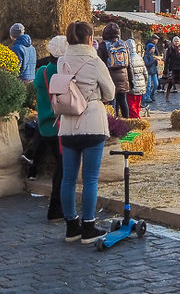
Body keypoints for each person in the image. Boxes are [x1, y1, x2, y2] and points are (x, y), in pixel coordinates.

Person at [57, 20, 116, 245]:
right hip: (92, 121)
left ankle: (71, 226)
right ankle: (89, 225)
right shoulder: (94, 61)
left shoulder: (62, 60)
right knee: (90, 179)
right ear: (89, 38)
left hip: (68, 124)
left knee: (68, 178)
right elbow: (110, 91)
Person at [27, 35, 65, 221]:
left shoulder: (42, 72)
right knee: (63, 169)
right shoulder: (63, 73)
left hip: (44, 126)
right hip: (58, 126)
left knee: (60, 166)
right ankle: (55, 209)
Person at [97, 23, 131, 118]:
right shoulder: (124, 44)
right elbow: (129, 64)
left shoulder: (103, 46)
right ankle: (126, 122)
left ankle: (115, 124)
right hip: (123, 77)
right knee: (123, 101)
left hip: (110, 77)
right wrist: (131, 80)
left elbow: (100, 64)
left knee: (112, 102)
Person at [127, 37, 147, 117]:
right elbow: (145, 72)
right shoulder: (140, 57)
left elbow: (128, 73)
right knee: (137, 105)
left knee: (131, 105)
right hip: (141, 84)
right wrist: (144, 83)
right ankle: (137, 121)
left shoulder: (128, 59)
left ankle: (136, 120)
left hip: (132, 85)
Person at [162, 36, 180, 104]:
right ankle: (167, 97)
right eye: (175, 41)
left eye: (177, 41)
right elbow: (167, 60)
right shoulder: (170, 49)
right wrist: (165, 70)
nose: (176, 42)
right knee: (171, 83)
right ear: (173, 42)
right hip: (172, 68)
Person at [143, 36, 160, 103]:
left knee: (156, 84)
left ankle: (151, 94)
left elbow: (155, 64)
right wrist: (153, 60)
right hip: (149, 72)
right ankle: (147, 96)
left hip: (154, 71)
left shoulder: (154, 55)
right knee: (148, 85)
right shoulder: (146, 55)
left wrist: (158, 61)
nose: (154, 49)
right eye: (153, 48)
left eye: (154, 48)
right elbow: (147, 64)